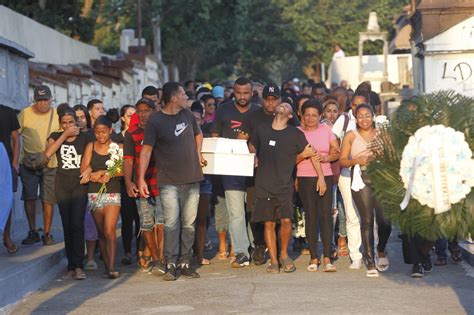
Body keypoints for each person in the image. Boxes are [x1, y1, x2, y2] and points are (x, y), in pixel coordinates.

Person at [138, 82, 205, 281]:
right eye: (184, 94)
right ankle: (170, 262)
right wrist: (141, 178)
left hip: (192, 178)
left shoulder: (187, 115)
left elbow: (198, 133)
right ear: (174, 98)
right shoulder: (156, 121)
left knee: (189, 223)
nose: (187, 97)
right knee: (171, 223)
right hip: (168, 181)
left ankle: (185, 262)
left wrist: (199, 153)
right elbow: (146, 150)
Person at [238, 83, 300, 265]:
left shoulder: (289, 115)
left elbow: (299, 139)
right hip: (258, 174)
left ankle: (282, 251)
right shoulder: (253, 116)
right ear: (262, 99)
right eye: (268, 99)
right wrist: (252, 153)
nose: (271, 103)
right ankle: (259, 245)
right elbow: (243, 140)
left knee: (284, 216)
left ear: (280, 99)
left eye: (275, 99)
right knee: (256, 212)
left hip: (284, 175)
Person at [251, 102, 315, 273]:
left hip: (285, 184)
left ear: (290, 115)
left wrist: (320, 178)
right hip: (264, 183)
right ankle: (273, 260)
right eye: (282, 104)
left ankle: (284, 254)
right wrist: (253, 154)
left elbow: (310, 152)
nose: (283, 106)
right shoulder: (261, 129)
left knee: (286, 221)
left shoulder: (295, 134)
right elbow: (252, 145)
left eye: (287, 106)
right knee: (269, 223)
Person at [211, 77, 259, 268]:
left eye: (246, 93)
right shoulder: (223, 110)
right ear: (233, 92)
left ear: (252, 92)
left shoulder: (258, 111)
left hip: (255, 171)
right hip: (230, 170)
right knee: (236, 213)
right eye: (238, 92)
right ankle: (241, 252)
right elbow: (215, 135)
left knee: (253, 212)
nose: (242, 96)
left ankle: (256, 247)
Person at [339, 103, 391, 277]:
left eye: (367, 115)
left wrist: (380, 156)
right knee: (367, 220)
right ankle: (370, 261)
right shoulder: (350, 136)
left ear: (373, 116)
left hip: (382, 179)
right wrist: (357, 160)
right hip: (361, 179)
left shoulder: (382, 134)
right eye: (360, 116)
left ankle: (381, 250)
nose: (364, 119)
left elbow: (393, 156)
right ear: (355, 118)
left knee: (384, 221)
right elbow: (342, 160)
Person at [45, 108, 89, 280]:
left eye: (71, 122)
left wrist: (90, 169)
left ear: (76, 122)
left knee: (77, 224)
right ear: (60, 124)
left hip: (79, 184)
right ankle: (71, 264)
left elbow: (92, 156)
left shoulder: (86, 136)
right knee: (67, 225)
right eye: (64, 123)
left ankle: (79, 265)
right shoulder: (56, 136)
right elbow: (47, 154)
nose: (68, 125)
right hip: (62, 184)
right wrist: (64, 135)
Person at [124, 98, 165, 276]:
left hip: (162, 182)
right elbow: (128, 160)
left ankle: (163, 259)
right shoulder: (131, 134)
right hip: (142, 185)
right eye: (139, 111)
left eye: (146, 110)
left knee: (162, 223)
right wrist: (128, 182)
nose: (142, 114)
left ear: (154, 111)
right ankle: (156, 259)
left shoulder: (161, 130)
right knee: (147, 223)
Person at [297, 100, 339, 272]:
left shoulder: (326, 131)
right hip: (304, 177)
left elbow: (336, 152)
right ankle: (314, 257)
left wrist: (326, 158)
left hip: (326, 176)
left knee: (325, 216)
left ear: (320, 116)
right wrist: (302, 156)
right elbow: (290, 158)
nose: (311, 118)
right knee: (311, 216)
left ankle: (327, 256)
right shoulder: (296, 132)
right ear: (302, 115)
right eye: (307, 114)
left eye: (314, 115)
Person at [80, 111, 123, 279]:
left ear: (110, 130)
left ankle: (112, 267)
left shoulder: (118, 147)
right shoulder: (91, 146)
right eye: (97, 131)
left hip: (112, 192)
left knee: (109, 229)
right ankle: (107, 267)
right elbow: (83, 172)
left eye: (104, 131)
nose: (100, 135)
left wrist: (107, 172)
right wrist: (93, 172)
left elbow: (122, 171)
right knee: (101, 232)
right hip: (94, 194)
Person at [18, 85, 60, 246]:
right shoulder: (25, 114)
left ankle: (47, 233)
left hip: (51, 162)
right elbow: (15, 135)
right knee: (29, 197)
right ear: (34, 100)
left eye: (45, 100)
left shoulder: (56, 114)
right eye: (39, 100)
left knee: (47, 199)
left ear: (50, 99)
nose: (43, 103)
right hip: (28, 162)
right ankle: (32, 231)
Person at [331, 94, 366, 268]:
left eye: (361, 105)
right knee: (351, 215)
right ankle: (355, 254)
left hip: (368, 175)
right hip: (347, 173)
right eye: (354, 105)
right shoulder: (344, 121)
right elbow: (333, 141)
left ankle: (372, 252)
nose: (357, 109)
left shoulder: (373, 125)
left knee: (368, 216)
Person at [73, 104, 98, 270]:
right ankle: (76, 257)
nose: (80, 120)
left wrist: (89, 168)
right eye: (77, 118)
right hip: (71, 183)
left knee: (90, 222)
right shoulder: (66, 137)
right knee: (75, 223)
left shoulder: (92, 136)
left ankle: (90, 257)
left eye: (82, 117)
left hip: (90, 183)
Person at [322, 99, 348, 257]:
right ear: (323, 113)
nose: (331, 114)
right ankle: (330, 243)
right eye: (328, 111)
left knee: (344, 208)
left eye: (334, 111)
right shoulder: (320, 129)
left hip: (342, 172)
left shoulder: (344, 128)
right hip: (328, 173)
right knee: (332, 211)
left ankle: (342, 238)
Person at [190, 102, 213, 266]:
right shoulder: (181, 138)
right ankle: (187, 254)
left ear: (202, 120)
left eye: (197, 119)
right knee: (187, 220)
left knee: (201, 220)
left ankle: (199, 254)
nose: (195, 122)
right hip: (186, 181)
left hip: (205, 182)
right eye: (192, 119)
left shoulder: (208, 138)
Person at [117, 104, 140, 265]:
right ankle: (126, 251)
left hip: (139, 179)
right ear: (123, 118)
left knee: (141, 218)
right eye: (129, 115)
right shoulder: (116, 138)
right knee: (127, 218)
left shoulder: (140, 135)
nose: (132, 117)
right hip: (122, 181)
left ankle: (140, 250)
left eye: (135, 114)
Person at [0, 104, 20, 254]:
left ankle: (6, 237)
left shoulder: (7, 112)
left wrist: (14, 162)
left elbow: (16, 138)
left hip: (5, 163)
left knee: (6, 199)